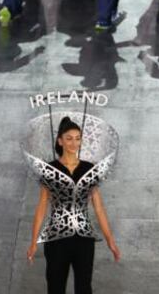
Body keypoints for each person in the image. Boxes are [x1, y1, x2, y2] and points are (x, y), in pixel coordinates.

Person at [28, 117, 120, 294]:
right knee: (55, 287)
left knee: (84, 288)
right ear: (60, 141)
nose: (74, 142)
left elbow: (98, 207)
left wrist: (110, 241)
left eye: (78, 138)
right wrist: (33, 241)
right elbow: (42, 206)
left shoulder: (89, 168)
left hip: (83, 239)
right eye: (69, 138)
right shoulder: (50, 168)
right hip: (56, 237)